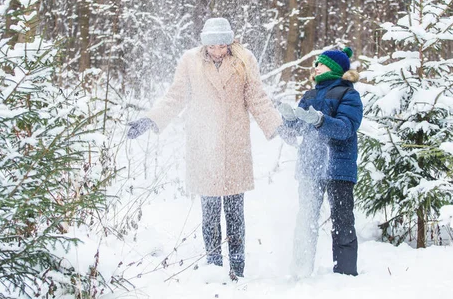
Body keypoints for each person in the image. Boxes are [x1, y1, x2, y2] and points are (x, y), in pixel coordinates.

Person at [127, 17, 294, 280]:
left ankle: (237, 270)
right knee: (210, 214)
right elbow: (175, 96)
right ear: (204, 44)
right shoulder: (190, 62)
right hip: (203, 145)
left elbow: (257, 97)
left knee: (235, 213)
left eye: (222, 45)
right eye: (212, 46)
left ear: (230, 42)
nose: (218, 51)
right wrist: (150, 119)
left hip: (234, 145)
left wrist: (278, 126)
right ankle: (214, 268)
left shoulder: (244, 59)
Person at [278, 46, 363, 278]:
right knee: (305, 218)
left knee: (342, 220)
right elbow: (296, 130)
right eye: (316, 63)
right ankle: (300, 271)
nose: (316, 67)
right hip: (310, 167)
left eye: (321, 63)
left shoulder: (349, 95)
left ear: (335, 68)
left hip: (339, 168)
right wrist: (286, 122)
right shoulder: (310, 95)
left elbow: (346, 128)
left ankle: (345, 275)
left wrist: (320, 121)